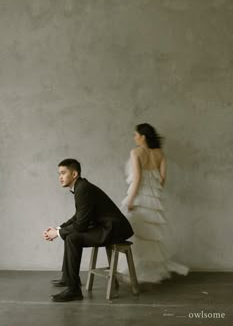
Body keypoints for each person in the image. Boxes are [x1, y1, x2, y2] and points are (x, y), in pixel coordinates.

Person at [43, 158, 133, 302]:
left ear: (74, 174)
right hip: (105, 227)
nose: (60, 177)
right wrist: (59, 228)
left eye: (63, 173)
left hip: (113, 230)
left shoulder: (82, 189)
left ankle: (74, 290)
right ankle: (69, 279)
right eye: (58, 173)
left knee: (72, 237)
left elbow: (80, 225)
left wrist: (57, 234)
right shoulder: (80, 187)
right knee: (70, 235)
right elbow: (79, 217)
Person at [118, 123, 189, 283]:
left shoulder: (136, 152)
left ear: (143, 137)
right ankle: (146, 273)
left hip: (139, 198)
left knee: (135, 233)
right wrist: (154, 194)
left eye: (136, 135)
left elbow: (137, 178)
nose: (134, 138)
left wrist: (130, 200)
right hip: (154, 200)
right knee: (150, 235)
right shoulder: (159, 153)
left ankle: (134, 272)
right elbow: (162, 179)